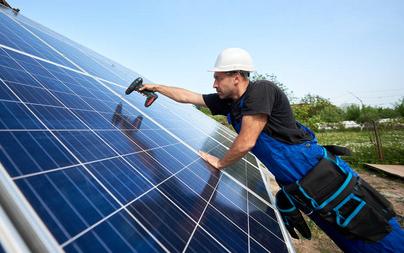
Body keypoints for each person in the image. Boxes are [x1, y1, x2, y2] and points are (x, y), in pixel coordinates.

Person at [140, 48, 404, 252]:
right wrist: (156, 87)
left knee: (372, 232)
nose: (213, 85)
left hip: (325, 180)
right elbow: (189, 97)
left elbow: (247, 141)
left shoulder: (261, 90)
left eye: (218, 78)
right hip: (302, 187)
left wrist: (220, 163)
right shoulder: (229, 102)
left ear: (237, 76)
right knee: (346, 238)